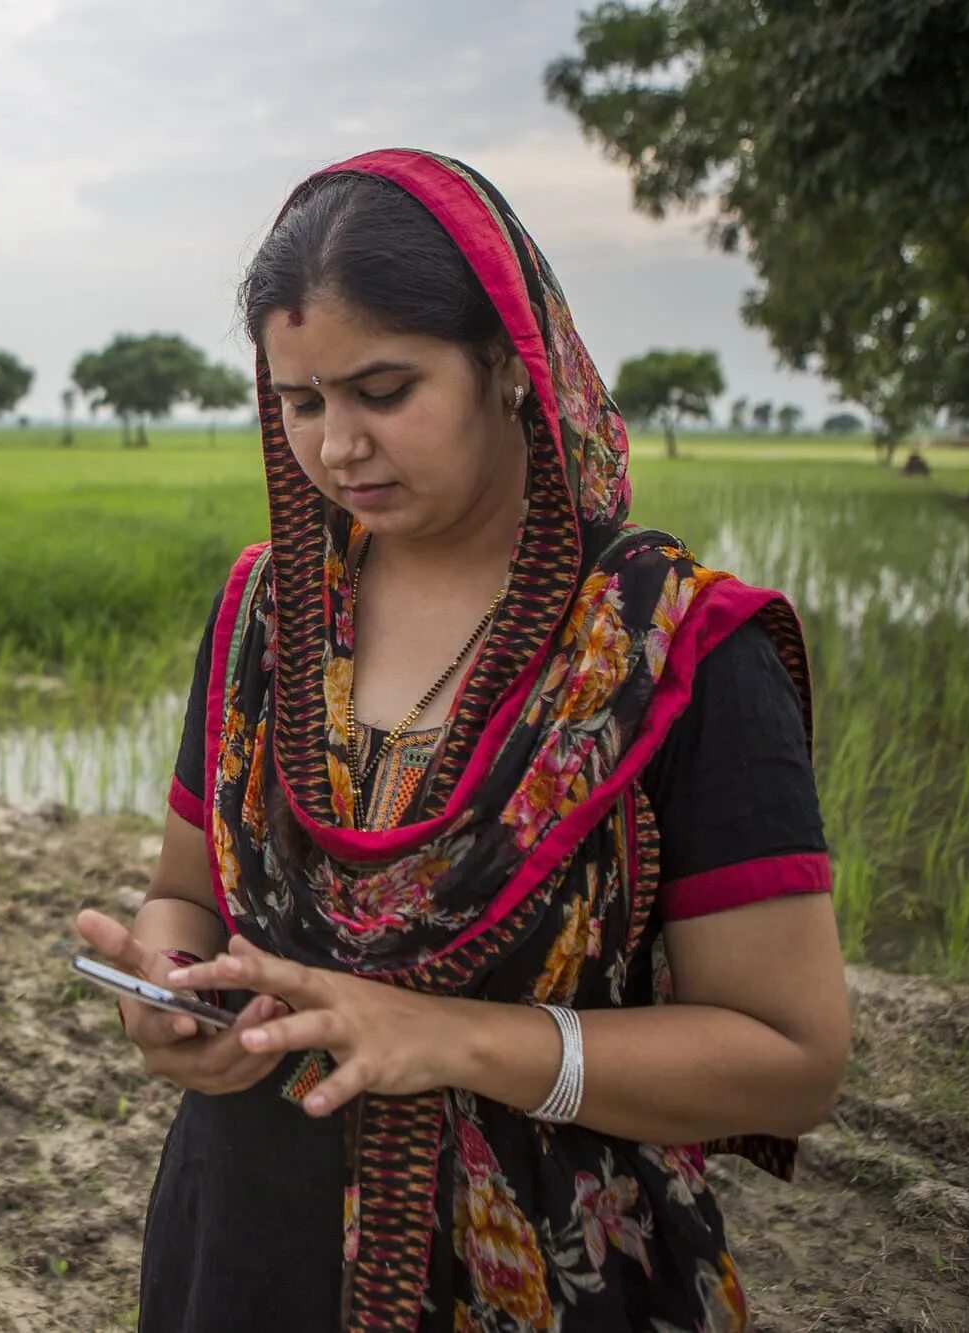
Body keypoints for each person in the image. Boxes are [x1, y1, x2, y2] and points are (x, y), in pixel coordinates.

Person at [75, 149, 849, 1332]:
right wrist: (170, 989)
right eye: (297, 403)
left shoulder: (673, 649)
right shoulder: (261, 617)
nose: (335, 448)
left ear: (504, 365)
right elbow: (186, 895)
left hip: (548, 1267)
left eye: (383, 391)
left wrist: (452, 1037)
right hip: (240, 1242)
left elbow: (790, 1059)